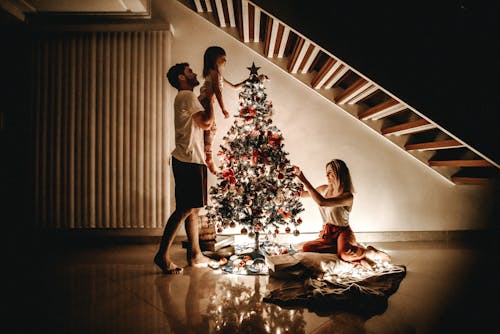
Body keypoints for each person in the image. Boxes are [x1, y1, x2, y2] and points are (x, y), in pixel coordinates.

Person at [154, 62, 213, 274]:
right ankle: (162, 255)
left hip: (190, 159)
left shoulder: (185, 98)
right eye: (189, 71)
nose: (194, 73)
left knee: (192, 209)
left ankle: (195, 254)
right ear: (181, 77)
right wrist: (212, 96)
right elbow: (206, 122)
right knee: (185, 209)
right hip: (188, 160)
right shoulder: (186, 96)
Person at [293, 159, 391, 268]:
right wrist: (297, 176)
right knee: (307, 247)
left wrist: (304, 179)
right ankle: (352, 251)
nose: (326, 175)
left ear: (339, 174)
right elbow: (302, 194)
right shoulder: (324, 189)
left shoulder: (347, 196)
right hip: (328, 232)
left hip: (343, 232)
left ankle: (368, 252)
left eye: (330, 172)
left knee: (344, 254)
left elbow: (322, 202)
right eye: (326, 172)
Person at [198, 46, 246, 175]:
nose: (225, 60)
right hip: (204, 102)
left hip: (208, 102)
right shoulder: (213, 72)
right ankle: (208, 157)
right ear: (214, 59)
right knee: (210, 128)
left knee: (211, 129)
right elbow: (217, 91)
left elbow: (234, 87)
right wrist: (223, 109)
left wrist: (247, 82)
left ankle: (207, 156)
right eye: (222, 58)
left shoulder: (218, 76)